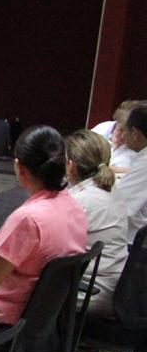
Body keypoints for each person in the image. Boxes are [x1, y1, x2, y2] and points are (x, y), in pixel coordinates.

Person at [0, 125, 87, 324]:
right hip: (39, 324)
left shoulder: (28, 220)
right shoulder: (75, 208)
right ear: (67, 165)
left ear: (19, 167)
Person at [64, 130, 127, 319]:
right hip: (113, 289)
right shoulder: (111, 191)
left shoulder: (79, 202)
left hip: (89, 293)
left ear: (70, 166)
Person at [116, 102, 147, 236]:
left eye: (125, 130)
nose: (123, 136)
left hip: (134, 240)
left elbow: (120, 206)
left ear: (135, 133)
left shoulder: (145, 163)